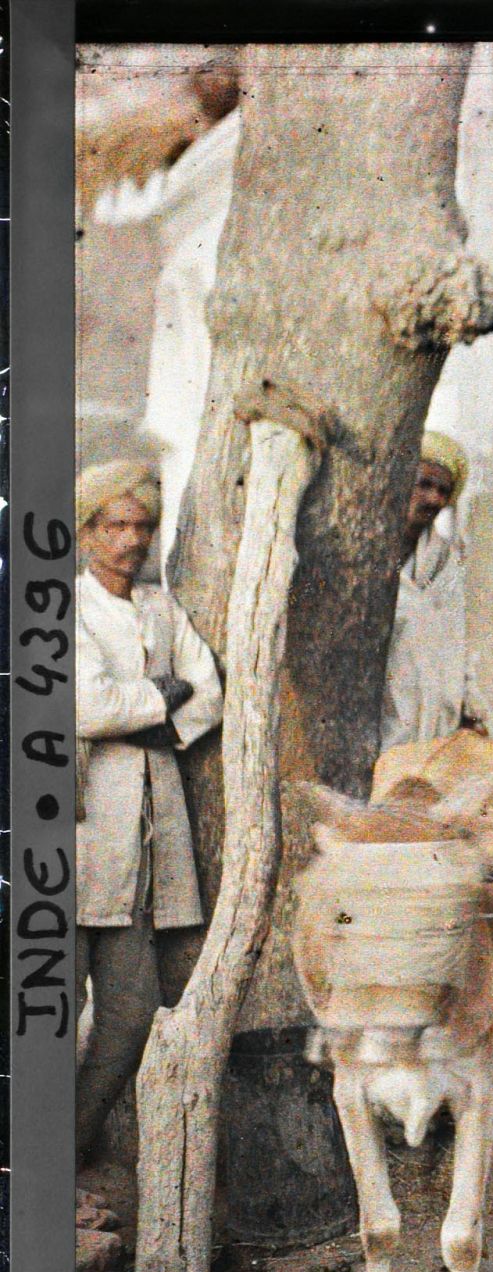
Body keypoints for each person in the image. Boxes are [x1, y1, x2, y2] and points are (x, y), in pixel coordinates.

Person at [75, 460, 224, 1162]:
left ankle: (67, 1147)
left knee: (132, 1016)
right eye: (115, 526)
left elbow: (210, 691)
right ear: (86, 532)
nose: (130, 541)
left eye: (141, 527)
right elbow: (83, 704)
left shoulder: (162, 608)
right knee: (44, 1010)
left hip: (143, 840)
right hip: (71, 831)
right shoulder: (62, 606)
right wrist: (159, 699)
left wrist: (151, 717)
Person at [381, 429, 488, 750]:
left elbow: (458, 638)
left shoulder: (445, 563)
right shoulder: (369, 555)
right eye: (424, 484)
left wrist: (470, 707)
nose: (434, 499)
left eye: (443, 490)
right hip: (383, 720)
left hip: (436, 724)